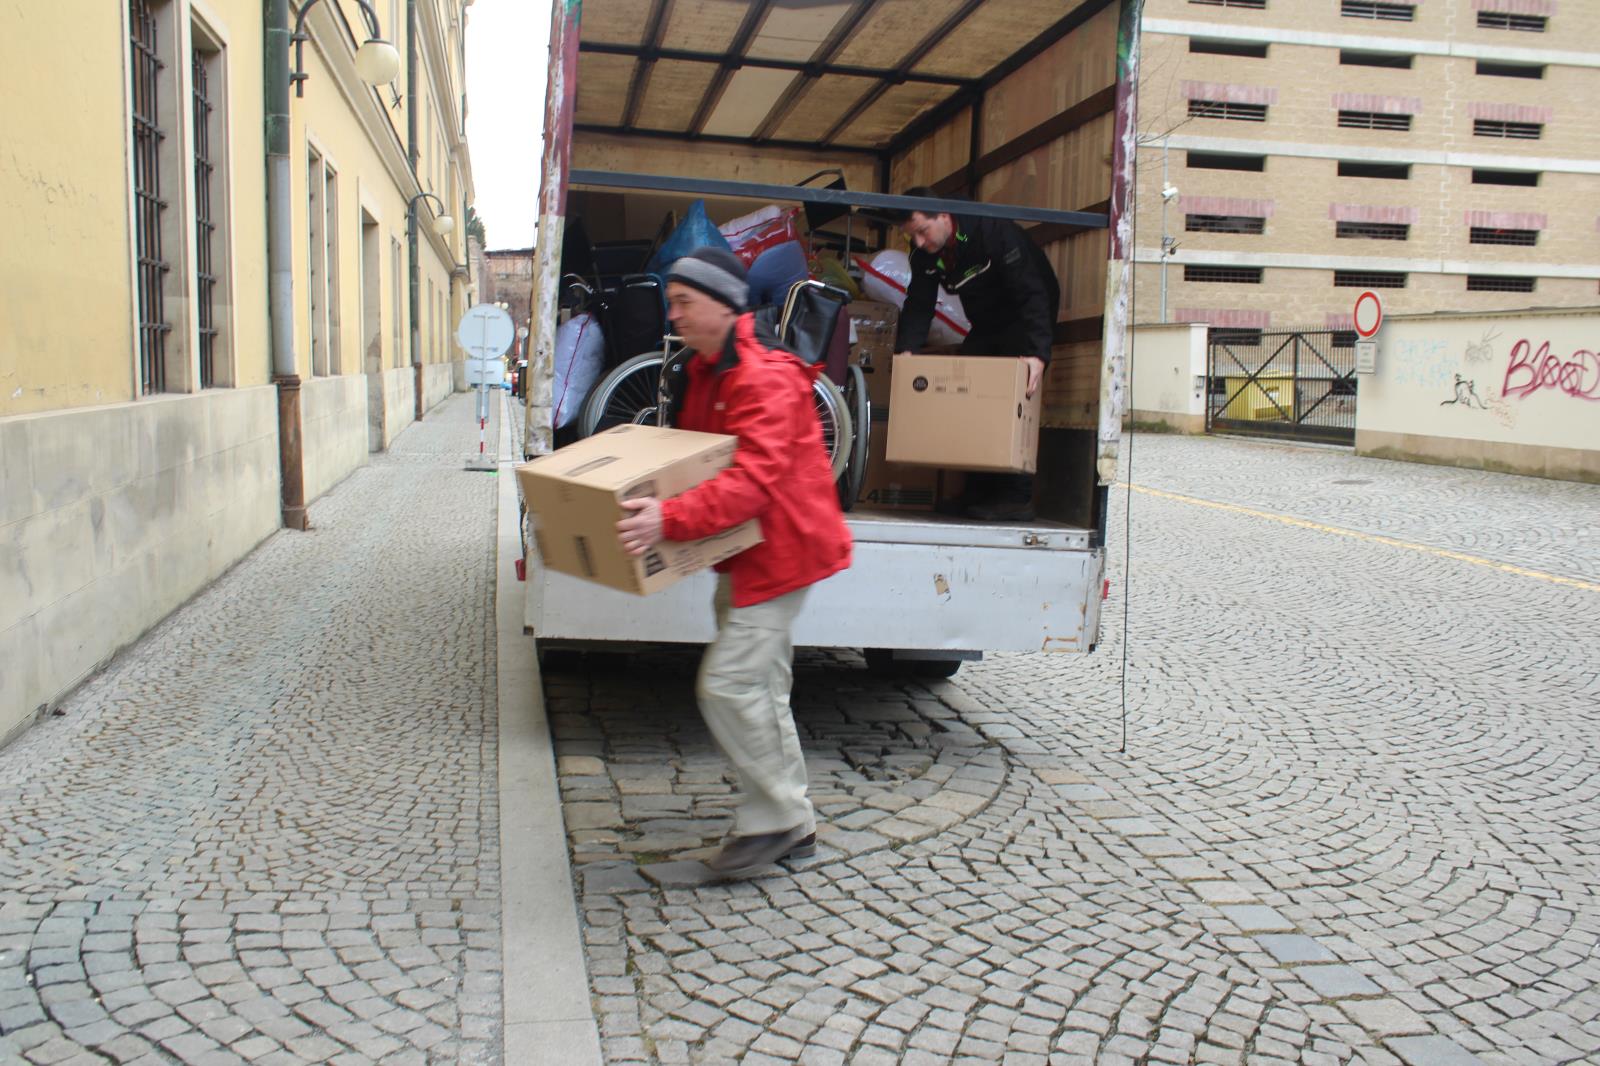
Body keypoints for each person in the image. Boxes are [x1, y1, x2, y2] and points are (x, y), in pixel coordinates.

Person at [615, 247, 853, 877]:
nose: (674, 314)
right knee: (762, 686)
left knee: (729, 685)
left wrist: (668, 520)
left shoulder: (762, 375)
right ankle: (795, 821)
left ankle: (775, 819)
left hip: (783, 552)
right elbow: (693, 461)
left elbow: (749, 483)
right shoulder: (704, 371)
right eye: (671, 302)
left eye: (684, 301)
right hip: (748, 553)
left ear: (724, 305)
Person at [893, 187, 1061, 521]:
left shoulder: (992, 231)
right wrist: (906, 353)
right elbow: (919, 303)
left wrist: (1038, 353)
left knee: (1008, 387)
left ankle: (1016, 497)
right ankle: (977, 491)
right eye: (913, 237)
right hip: (987, 318)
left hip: (1024, 312)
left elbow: (1032, 293)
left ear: (944, 217)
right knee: (969, 383)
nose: (919, 243)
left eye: (923, 232)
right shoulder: (926, 253)